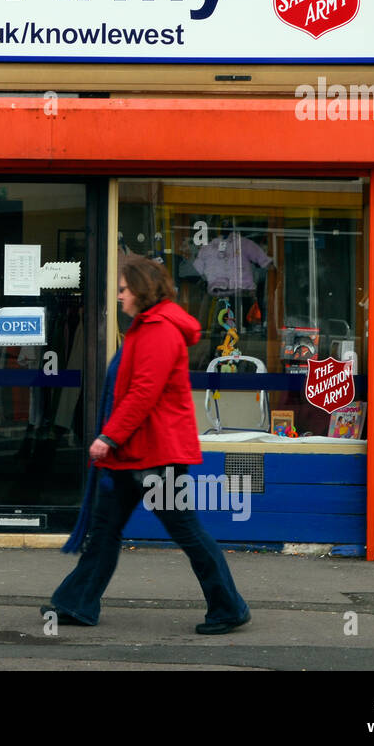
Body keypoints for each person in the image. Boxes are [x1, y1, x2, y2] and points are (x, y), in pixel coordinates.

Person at [43, 255, 251, 635]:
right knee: (105, 530)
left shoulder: (158, 330)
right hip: (135, 454)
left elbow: (143, 392)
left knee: (187, 531)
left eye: (123, 290)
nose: (119, 297)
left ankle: (229, 607)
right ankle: (76, 602)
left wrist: (109, 436)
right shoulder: (147, 326)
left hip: (156, 455)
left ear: (140, 290)